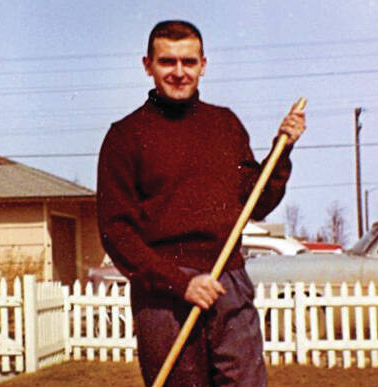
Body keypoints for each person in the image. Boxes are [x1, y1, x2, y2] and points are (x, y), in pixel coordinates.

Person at [97, 20, 305, 386]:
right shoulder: (125, 136)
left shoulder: (225, 125)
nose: (179, 72)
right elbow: (117, 233)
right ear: (148, 65)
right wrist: (180, 283)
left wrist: (281, 151)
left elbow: (256, 203)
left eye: (188, 62)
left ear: (203, 65)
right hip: (164, 295)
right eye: (167, 62)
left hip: (229, 280)